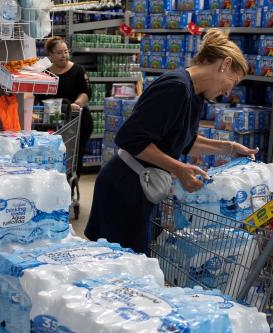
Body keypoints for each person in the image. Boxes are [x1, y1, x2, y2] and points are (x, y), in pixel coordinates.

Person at [84, 29, 257, 254]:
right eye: (232, 81)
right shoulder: (175, 87)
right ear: (224, 64)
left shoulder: (196, 96)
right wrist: (179, 168)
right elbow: (130, 138)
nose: (228, 91)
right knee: (119, 266)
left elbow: (185, 141)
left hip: (144, 187)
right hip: (124, 187)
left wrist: (228, 148)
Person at [34, 36, 92, 173]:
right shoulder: (44, 73)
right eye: (59, 52)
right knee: (50, 158)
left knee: (73, 159)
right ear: (50, 55)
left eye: (66, 52)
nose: (64, 55)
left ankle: (70, 187)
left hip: (76, 122)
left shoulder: (78, 70)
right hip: (51, 122)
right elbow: (37, 95)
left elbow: (86, 92)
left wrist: (76, 104)